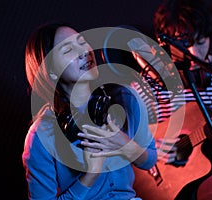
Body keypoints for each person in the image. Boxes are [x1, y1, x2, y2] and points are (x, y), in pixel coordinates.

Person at [132, 0, 212, 199]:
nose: (192, 53)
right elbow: (127, 141)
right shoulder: (149, 85)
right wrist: (158, 149)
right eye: (184, 45)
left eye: (200, 42)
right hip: (189, 183)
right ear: (165, 43)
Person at [21, 22, 157, 200]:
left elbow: (150, 159)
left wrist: (126, 146)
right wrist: (89, 176)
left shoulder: (124, 97)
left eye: (82, 41)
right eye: (68, 50)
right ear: (51, 71)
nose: (84, 51)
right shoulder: (41, 135)